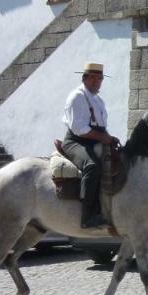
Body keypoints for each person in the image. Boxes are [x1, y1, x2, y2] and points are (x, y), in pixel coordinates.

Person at [62, 62, 119, 229]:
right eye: (92, 78)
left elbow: (101, 126)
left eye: (99, 79)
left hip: (96, 139)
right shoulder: (77, 97)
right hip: (76, 141)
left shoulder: (98, 100)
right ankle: (87, 216)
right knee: (92, 165)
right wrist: (104, 138)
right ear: (84, 78)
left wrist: (109, 138)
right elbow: (80, 129)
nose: (96, 82)